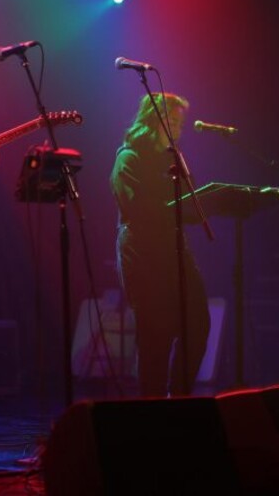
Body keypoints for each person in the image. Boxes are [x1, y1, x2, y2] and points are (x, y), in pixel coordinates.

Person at [110, 92, 210, 397]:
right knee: (155, 335)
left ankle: (179, 397)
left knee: (197, 323)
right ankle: (153, 406)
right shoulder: (129, 157)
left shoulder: (172, 157)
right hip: (143, 252)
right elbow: (137, 207)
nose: (179, 130)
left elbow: (187, 204)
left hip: (175, 249)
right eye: (175, 122)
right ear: (158, 121)